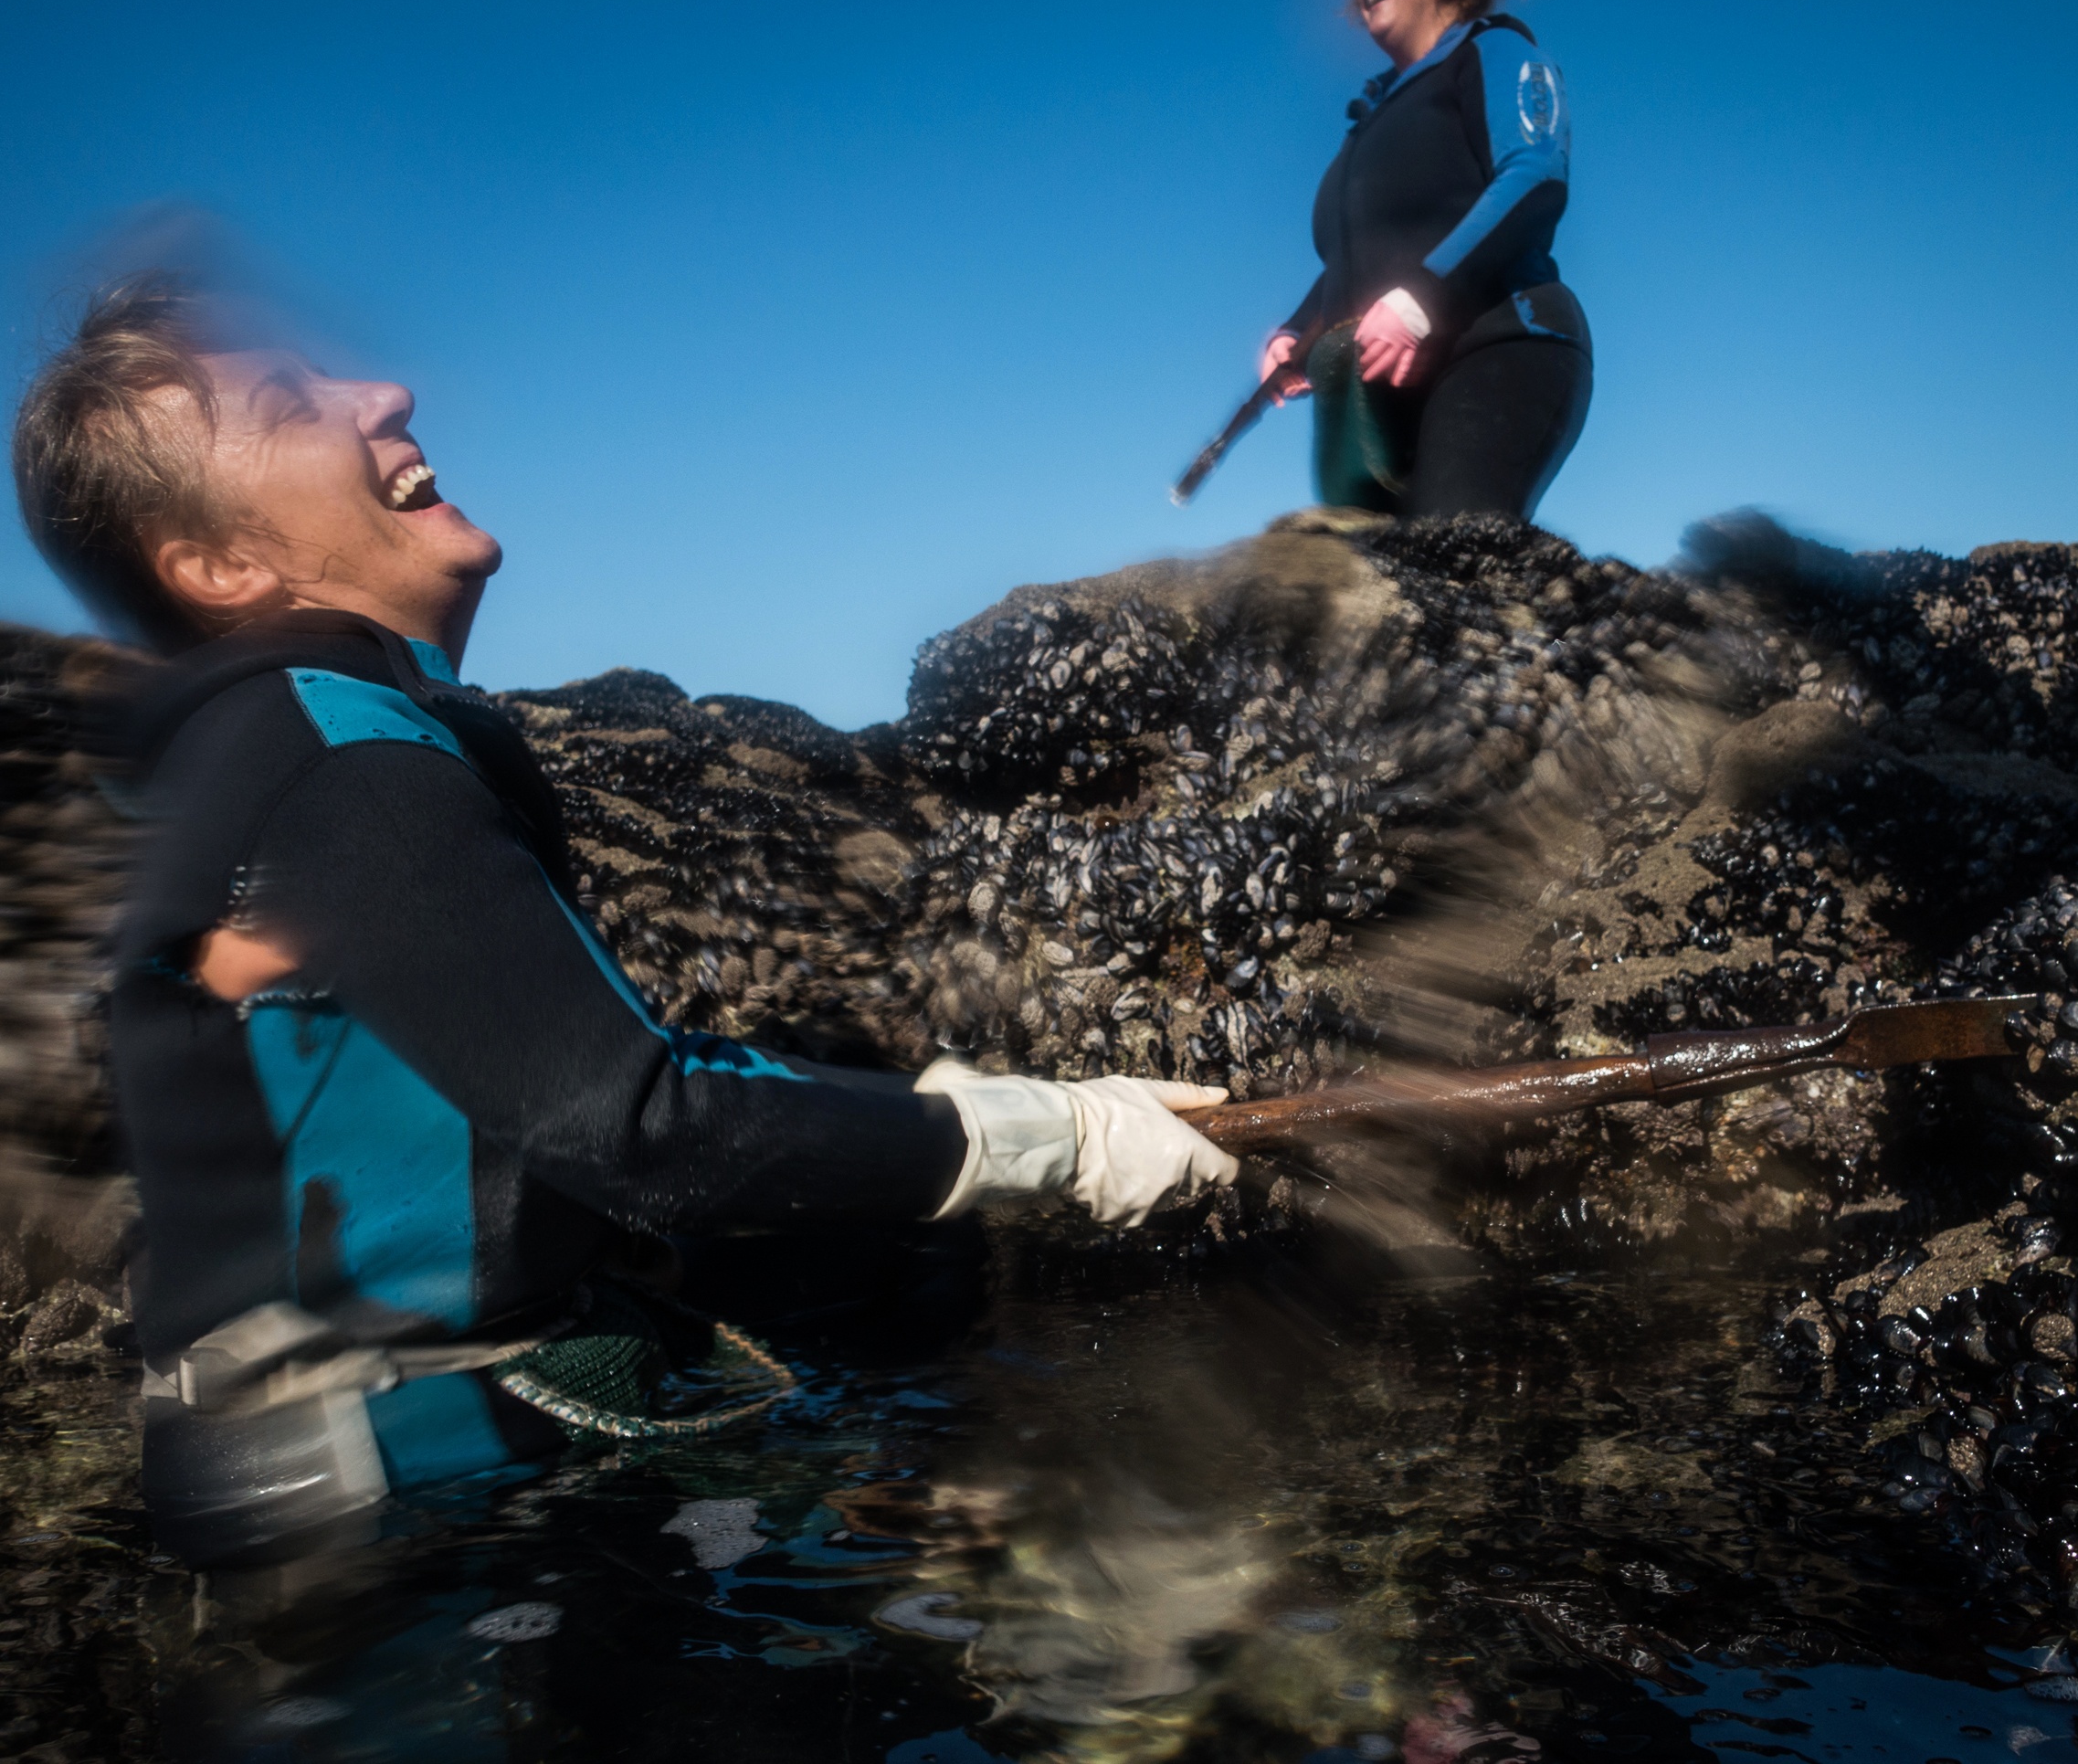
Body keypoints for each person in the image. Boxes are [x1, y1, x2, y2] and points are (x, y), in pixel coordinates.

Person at [9, 276, 1239, 1566]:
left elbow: (515, 1099)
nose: (387, 393)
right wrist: (1060, 1139)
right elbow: (631, 1121)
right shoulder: (335, 752)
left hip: (364, 1507)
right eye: (294, 405)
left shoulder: (263, 749)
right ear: (222, 565)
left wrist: (910, 1108)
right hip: (403, 1553)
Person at [1263, 0, 1590, 522]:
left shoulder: (1494, 51)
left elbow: (1536, 177)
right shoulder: (1371, 115)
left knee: (1450, 552)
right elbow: (1356, 261)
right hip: (1381, 387)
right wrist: (1296, 334)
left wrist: (1424, 297)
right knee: (1360, 581)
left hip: (1501, 343)